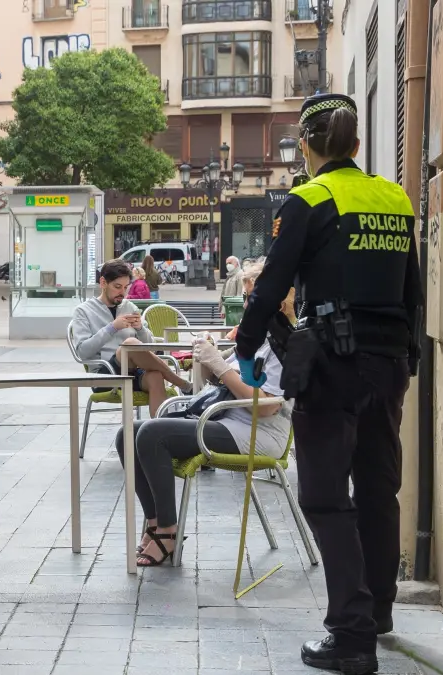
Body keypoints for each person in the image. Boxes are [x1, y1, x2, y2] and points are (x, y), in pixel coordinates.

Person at [235, 93, 421, 675]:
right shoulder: (394, 198)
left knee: (320, 493)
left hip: (334, 367)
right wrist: (408, 358)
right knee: (377, 490)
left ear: (308, 147)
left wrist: (246, 350)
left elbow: (271, 286)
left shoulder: (308, 199)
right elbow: (413, 289)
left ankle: (350, 632)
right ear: (358, 147)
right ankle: (380, 610)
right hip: (388, 364)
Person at [114, 260, 292, 566]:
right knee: (126, 435)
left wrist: (220, 368)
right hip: (227, 418)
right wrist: (207, 361)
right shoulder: (254, 337)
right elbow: (224, 380)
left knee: (153, 434)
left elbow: (266, 407)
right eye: (247, 296)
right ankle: (156, 522)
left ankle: (168, 531)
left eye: (252, 297)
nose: (246, 304)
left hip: (257, 433)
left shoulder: (284, 342)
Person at [71, 261, 193, 416]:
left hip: (134, 371)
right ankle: (183, 384)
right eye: (117, 286)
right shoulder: (83, 311)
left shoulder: (130, 307)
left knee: (155, 376)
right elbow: (82, 352)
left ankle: (160, 433)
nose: (122, 292)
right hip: (103, 374)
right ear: (103, 283)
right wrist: (112, 328)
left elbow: (151, 347)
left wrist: (140, 329)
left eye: (125, 287)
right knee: (129, 345)